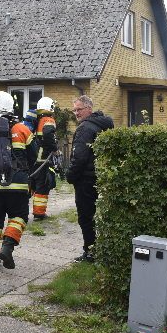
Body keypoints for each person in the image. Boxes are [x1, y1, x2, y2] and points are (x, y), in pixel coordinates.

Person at [0, 91, 38, 271]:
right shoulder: (22, 130)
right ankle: (7, 247)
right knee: (19, 216)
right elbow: (33, 156)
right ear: (11, 109)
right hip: (18, 183)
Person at [66, 95, 114, 262]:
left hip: (85, 179)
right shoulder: (104, 124)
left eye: (79, 109)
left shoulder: (85, 128)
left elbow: (79, 157)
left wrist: (70, 176)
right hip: (100, 176)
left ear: (89, 109)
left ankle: (90, 252)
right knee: (98, 215)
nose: (76, 113)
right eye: (74, 110)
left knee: (86, 217)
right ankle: (98, 248)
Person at [30, 97, 58, 220]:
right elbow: (48, 135)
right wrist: (55, 148)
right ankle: (39, 213)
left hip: (34, 157)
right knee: (43, 185)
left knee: (32, 183)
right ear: (50, 107)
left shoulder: (37, 120)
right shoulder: (49, 120)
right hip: (43, 158)